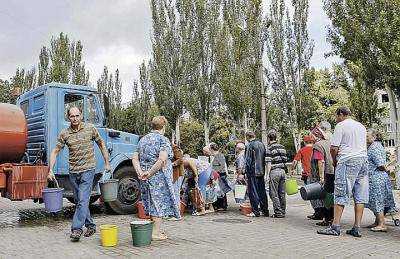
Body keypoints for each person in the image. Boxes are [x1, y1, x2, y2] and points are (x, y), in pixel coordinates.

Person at [48, 106, 111, 242]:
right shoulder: (65, 133)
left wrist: (107, 162)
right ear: (68, 117)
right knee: (79, 201)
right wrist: (50, 169)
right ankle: (91, 225)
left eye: (77, 115)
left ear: (81, 115)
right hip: (73, 172)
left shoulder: (90, 128)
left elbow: (101, 144)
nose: (75, 118)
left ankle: (76, 229)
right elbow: (55, 151)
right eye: (72, 116)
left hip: (88, 170)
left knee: (82, 199)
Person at [317, 107, 368, 237]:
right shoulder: (361, 126)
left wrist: (334, 161)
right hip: (362, 160)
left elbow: (333, 148)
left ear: (341, 114)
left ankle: (335, 226)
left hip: (347, 160)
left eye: (336, 116)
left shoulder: (341, 126)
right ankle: (357, 227)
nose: (336, 119)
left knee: (340, 192)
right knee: (360, 194)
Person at [132, 116, 180, 241]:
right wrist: (150, 172)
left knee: (150, 201)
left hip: (144, 177)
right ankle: (156, 233)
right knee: (158, 203)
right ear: (163, 127)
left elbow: (134, 158)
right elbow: (162, 159)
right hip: (158, 177)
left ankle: (153, 230)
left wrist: (140, 172)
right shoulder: (163, 140)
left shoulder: (142, 139)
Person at [365, 128, 397, 232]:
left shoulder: (374, 147)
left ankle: (382, 224)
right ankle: (378, 221)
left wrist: (385, 169)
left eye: (367, 136)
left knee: (377, 200)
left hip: (376, 178)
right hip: (377, 177)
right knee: (377, 200)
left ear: (374, 137)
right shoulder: (376, 146)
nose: (366, 138)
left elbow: (380, 165)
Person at [311, 122, 334, 226]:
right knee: (332, 197)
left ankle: (327, 219)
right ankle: (333, 218)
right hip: (334, 172)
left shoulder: (318, 145)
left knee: (325, 197)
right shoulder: (333, 142)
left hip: (326, 174)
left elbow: (320, 161)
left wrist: (320, 177)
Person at [292, 135, 321, 219]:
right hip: (317, 174)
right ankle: (321, 211)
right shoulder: (316, 149)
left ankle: (317, 212)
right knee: (319, 194)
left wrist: (292, 169)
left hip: (307, 175)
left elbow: (295, 161)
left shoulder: (302, 150)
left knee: (311, 194)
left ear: (304, 142)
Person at [244, 131, 268, 217]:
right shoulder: (261, 144)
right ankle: (265, 210)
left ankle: (255, 211)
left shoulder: (249, 145)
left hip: (252, 171)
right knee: (262, 191)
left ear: (247, 137)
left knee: (253, 191)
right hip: (261, 170)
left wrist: (245, 171)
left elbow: (248, 160)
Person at [265, 129, 288, 218]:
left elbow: (269, 162)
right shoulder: (282, 147)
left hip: (274, 172)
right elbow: (285, 160)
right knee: (282, 193)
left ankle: (278, 212)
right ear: (276, 137)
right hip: (282, 171)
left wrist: (267, 175)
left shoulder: (269, 148)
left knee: (273, 193)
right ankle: (283, 211)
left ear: (268, 138)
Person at [204, 143, 230, 211]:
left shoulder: (219, 155)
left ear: (212, 149)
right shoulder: (216, 156)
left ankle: (223, 205)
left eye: (210, 149)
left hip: (220, 175)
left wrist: (215, 174)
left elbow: (221, 166)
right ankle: (218, 205)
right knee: (218, 190)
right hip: (218, 175)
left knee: (221, 190)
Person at [171, 144, 185, 219]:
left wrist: (171, 164)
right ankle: (176, 213)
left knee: (176, 193)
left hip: (178, 174)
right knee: (175, 193)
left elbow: (180, 160)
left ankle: (177, 215)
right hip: (175, 174)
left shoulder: (175, 148)